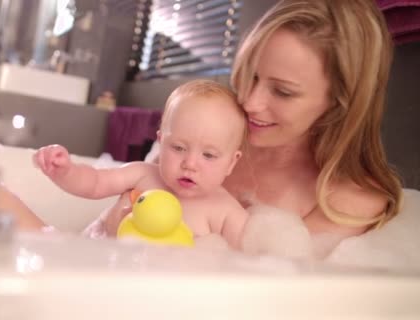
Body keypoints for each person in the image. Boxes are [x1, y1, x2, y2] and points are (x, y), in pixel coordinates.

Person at [100, 0, 403, 241]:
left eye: (283, 92)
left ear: (340, 103)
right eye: (251, 75)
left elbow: (271, 298)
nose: (249, 101)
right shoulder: (211, 133)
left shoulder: (348, 201)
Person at [33, 80, 248, 248]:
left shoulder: (226, 212)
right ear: (161, 142)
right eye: (178, 148)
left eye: (208, 155)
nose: (190, 164)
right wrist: (66, 171)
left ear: (231, 162)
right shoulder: (143, 175)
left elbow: (255, 264)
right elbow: (95, 182)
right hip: (96, 262)